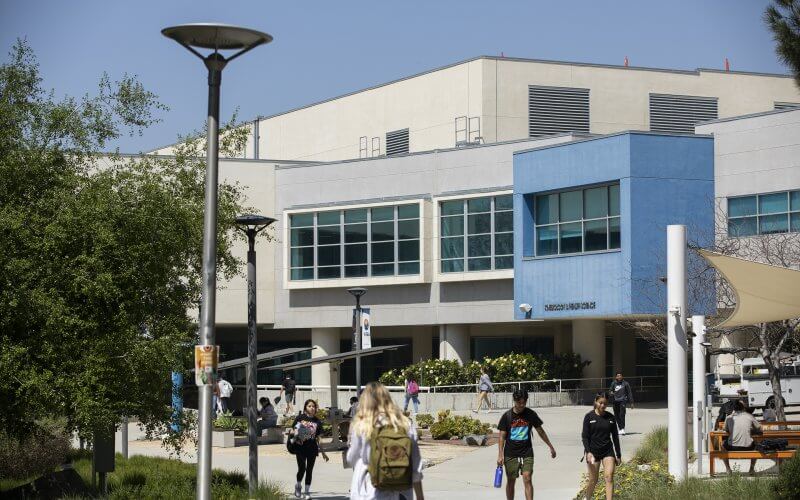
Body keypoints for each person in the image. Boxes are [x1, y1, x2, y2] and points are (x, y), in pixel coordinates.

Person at [346, 382, 425, 500]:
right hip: (400, 491)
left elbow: (351, 459)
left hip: (369, 491)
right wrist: (420, 496)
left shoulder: (363, 424)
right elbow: (416, 464)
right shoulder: (405, 424)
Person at [497, 389, 557, 500]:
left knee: (527, 478)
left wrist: (550, 446)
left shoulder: (530, 414)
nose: (522, 405)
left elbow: (540, 431)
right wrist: (500, 454)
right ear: (514, 401)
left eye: (524, 402)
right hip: (511, 452)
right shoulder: (507, 416)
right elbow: (501, 437)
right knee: (511, 480)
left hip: (527, 451)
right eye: (519, 402)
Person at [581, 394, 622, 500]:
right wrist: (588, 452)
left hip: (608, 451)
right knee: (593, 479)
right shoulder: (589, 416)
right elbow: (585, 436)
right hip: (593, 452)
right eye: (601, 403)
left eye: (605, 403)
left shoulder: (611, 417)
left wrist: (618, 454)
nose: (603, 405)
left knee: (609, 477)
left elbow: (615, 437)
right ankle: (587, 498)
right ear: (596, 402)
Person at [290, 399, 329, 499]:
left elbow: (319, 438)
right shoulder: (300, 418)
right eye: (309, 406)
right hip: (300, 447)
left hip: (312, 448)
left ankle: (307, 492)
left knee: (309, 470)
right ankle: (298, 486)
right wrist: (294, 432)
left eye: (313, 406)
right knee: (302, 468)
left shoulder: (317, 421)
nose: (312, 408)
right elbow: (292, 429)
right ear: (305, 408)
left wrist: (323, 452)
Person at [722, 399, 762, 475]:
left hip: (732, 446)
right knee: (756, 444)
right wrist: (751, 430)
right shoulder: (749, 416)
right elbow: (759, 428)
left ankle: (728, 469)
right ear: (743, 408)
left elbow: (725, 429)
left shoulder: (729, 418)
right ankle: (751, 469)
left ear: (734, 408)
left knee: (722, 445)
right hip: (748, 446)